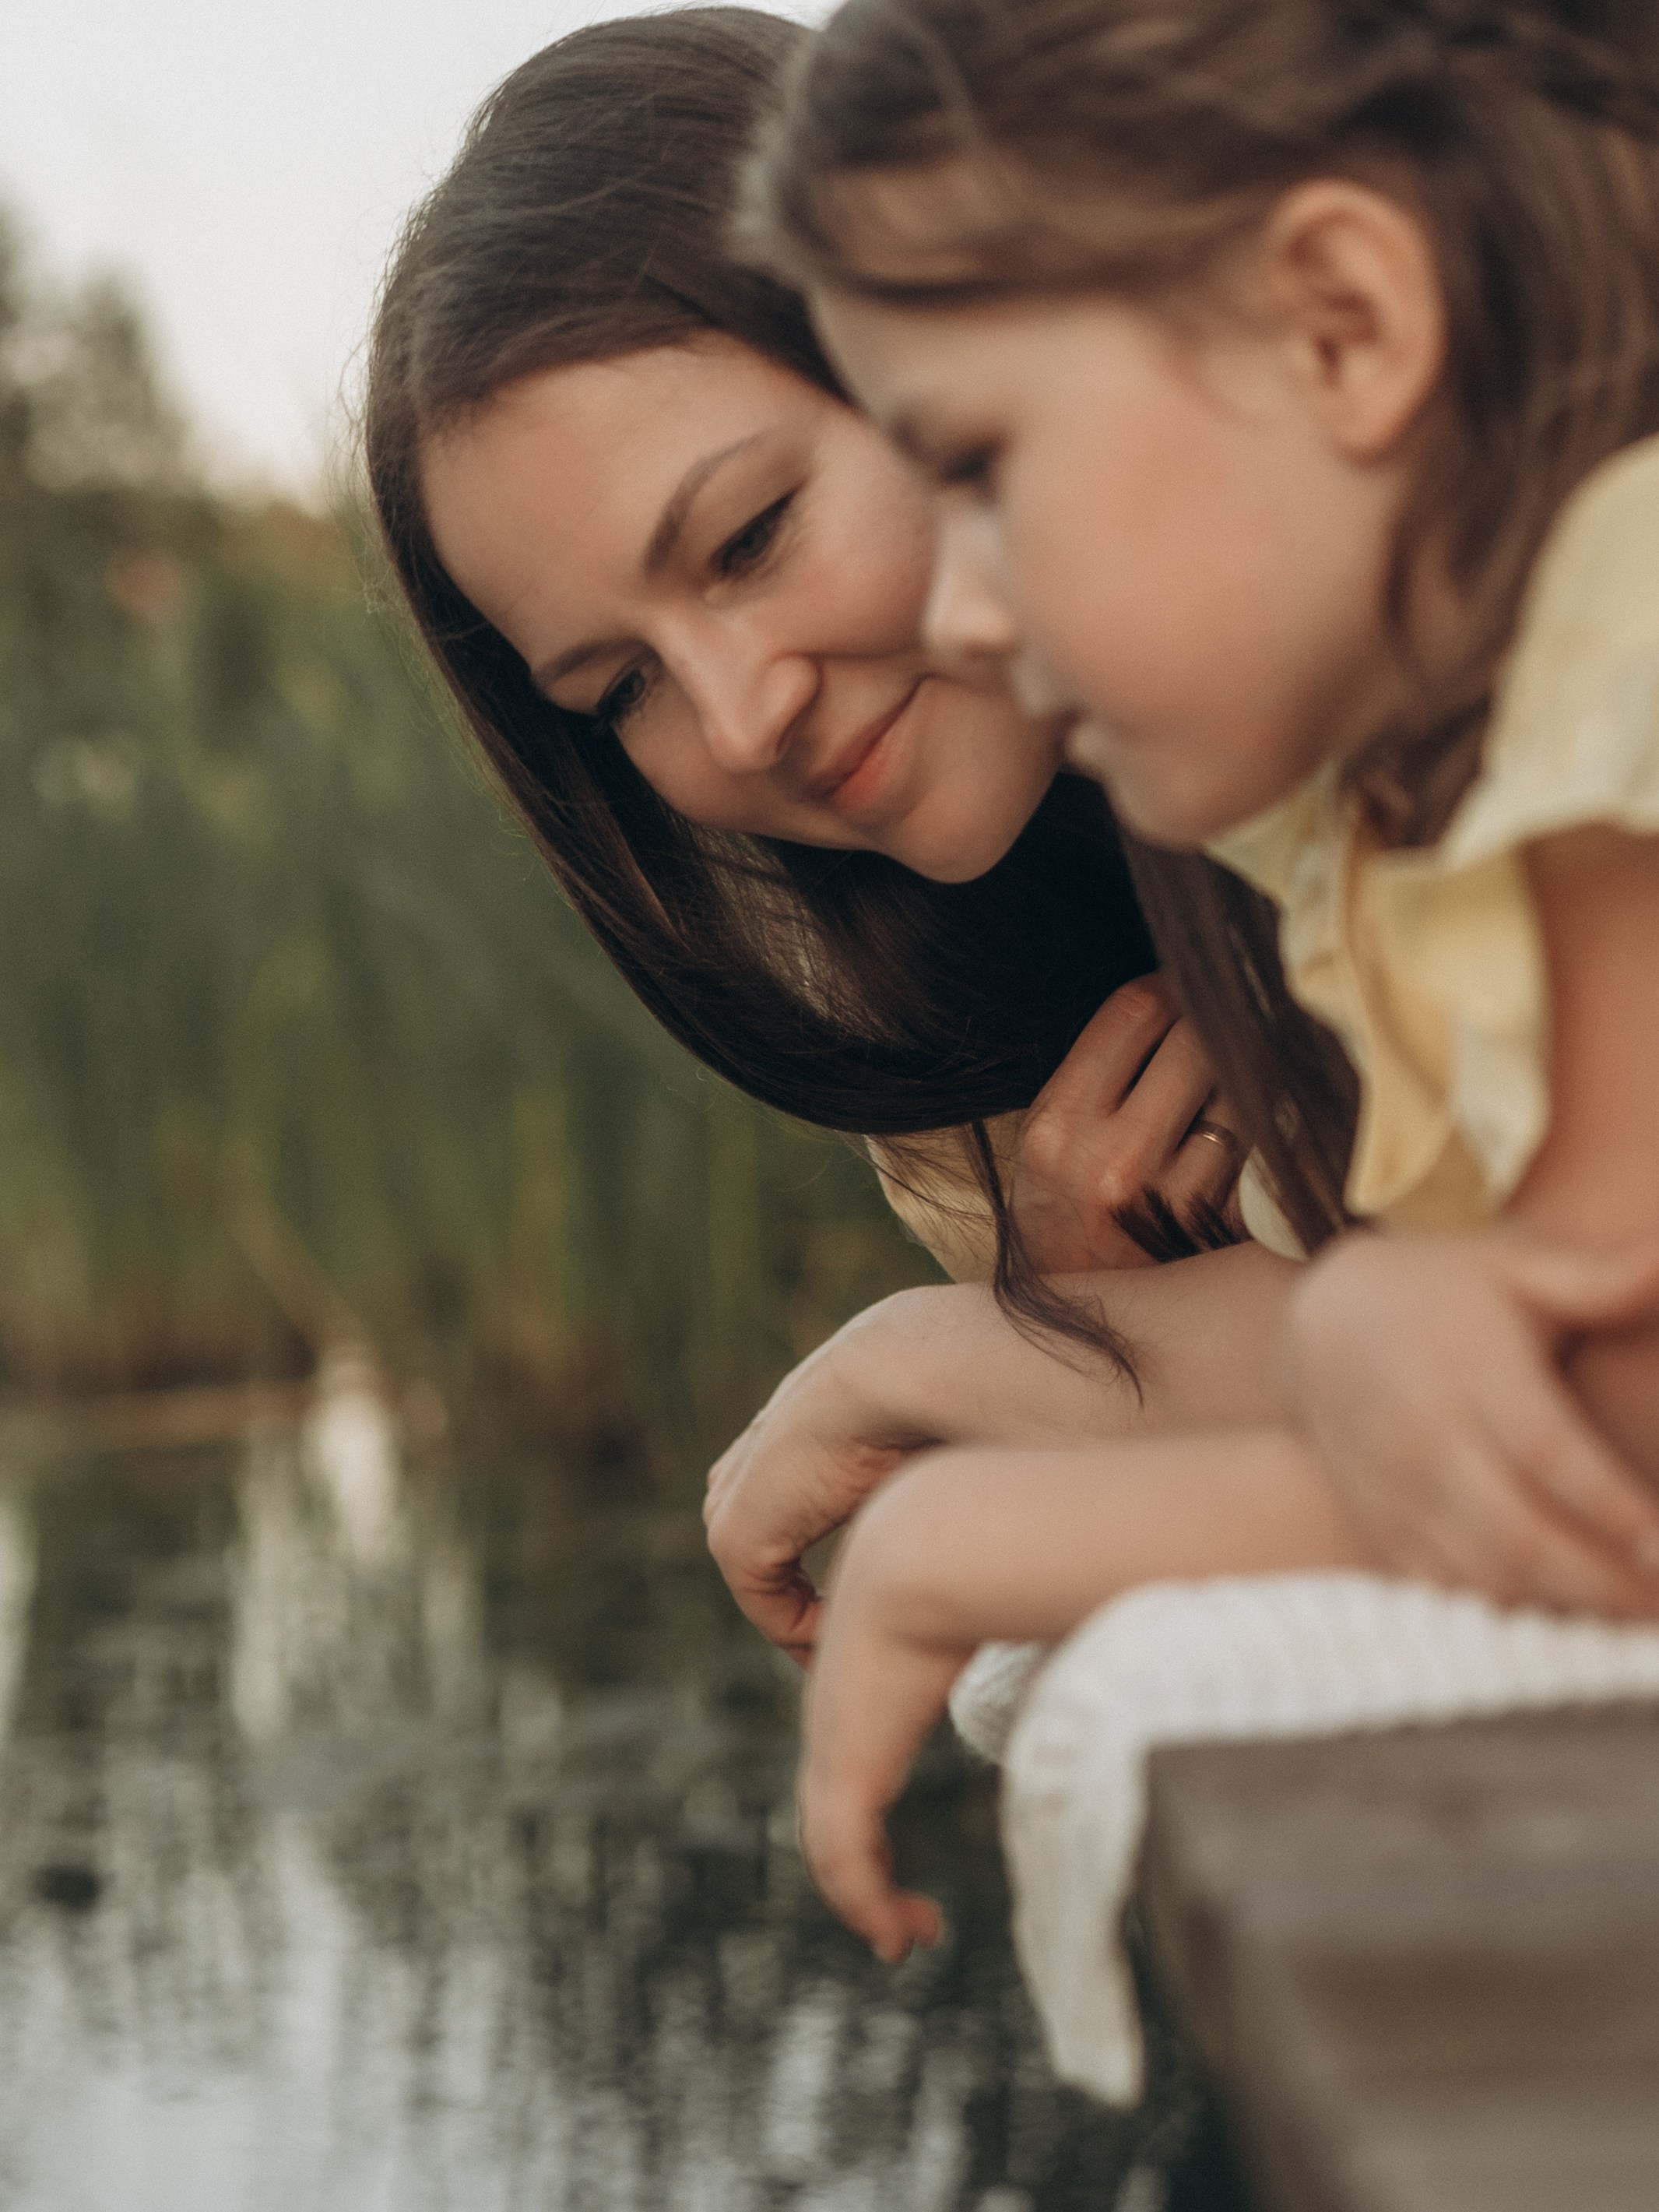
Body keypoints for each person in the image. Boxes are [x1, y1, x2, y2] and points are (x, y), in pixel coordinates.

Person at [746, 0, 1659, 1961]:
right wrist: (1371, 1323)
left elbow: (1603, 1453)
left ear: (1342, 322)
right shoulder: (1395, 839)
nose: (958, 603)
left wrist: (971, 1539)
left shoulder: (1633, 634)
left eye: (979, 463)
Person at [364, 5, 1348, 1657]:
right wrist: (1076, 1304)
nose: (742, 717)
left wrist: (970, 1359)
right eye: (620, 690)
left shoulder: (1432, 642)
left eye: (749, 535)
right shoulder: (959, 1069)